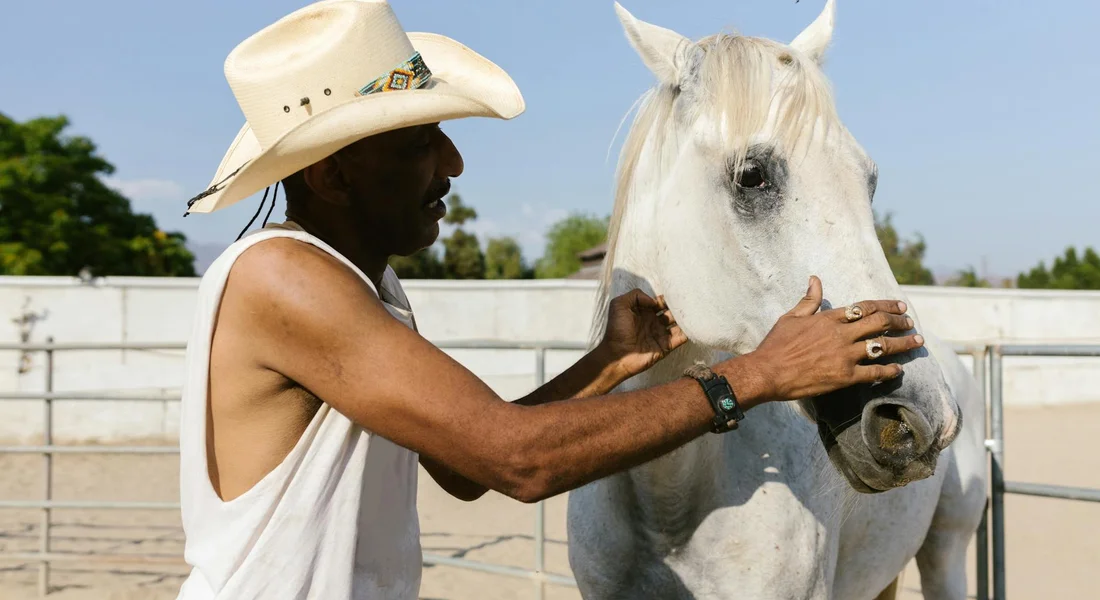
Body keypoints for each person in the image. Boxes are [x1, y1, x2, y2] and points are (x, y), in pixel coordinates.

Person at [174, 2, 923, 598]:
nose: (454, 162)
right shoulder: (286, 282)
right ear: (333, 178)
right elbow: (514, 461)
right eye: (416, 144)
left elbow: (461, 468)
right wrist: (760, 375)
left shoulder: (366, 286)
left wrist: (610, 361)